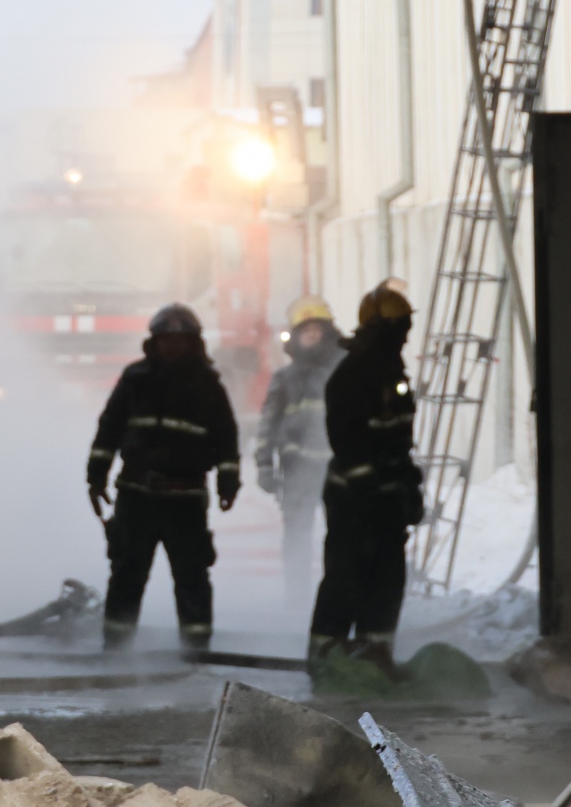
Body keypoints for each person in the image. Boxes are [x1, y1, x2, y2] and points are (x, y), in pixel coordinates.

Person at [87, 303, 241, 650]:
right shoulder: (134, 379)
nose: (173, 346)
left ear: (194, 343)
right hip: (136, 496)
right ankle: (116, 649)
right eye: (166, 340)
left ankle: (196, 652)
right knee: (127, 576)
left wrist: (228, 482)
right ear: (153, 342)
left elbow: (226, 437)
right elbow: (109, 428)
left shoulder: (208, 385)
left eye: (181, 340)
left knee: (192, 579)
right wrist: (96, 476)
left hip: (185, 501)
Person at [310, 280, 422, 670]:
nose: (404, 336)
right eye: (399, 328)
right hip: (354, 500)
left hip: (386, 497)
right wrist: (368, 491)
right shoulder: (353, 374)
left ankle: (376, 658)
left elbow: (398, 441)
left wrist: (409, 487)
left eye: (406, 327)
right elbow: (348, 442)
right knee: (346, 579)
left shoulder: (390, 371)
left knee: (387, 582)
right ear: (377, 328)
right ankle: (326, 658)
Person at [256, 296, 343, 603]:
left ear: (327, 333)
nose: (311, 335)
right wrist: (264, 465)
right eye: (305, 330)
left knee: (342, 537)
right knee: (296, 537)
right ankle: (297, 597)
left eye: (316, 329)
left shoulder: (343, 372)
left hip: (338, 470)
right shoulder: (284, 378)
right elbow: (268, 424)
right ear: (295, 336)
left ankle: (338, 599)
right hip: (297, 472)